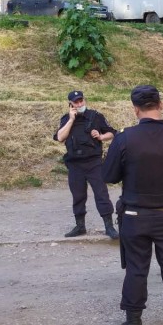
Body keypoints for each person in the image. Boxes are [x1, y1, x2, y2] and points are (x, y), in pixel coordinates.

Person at [102, 85, 163, 325]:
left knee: (136, 268)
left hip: (134, 216)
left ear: (135, 109)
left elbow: (109, 175)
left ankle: (133, 324)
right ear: (160, 104)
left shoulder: (123, 139)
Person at [54, 90, 118, 239]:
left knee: (101, 194)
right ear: (70, 104)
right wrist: (71, 119)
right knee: (78, 195)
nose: (79, 104)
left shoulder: (96, 116)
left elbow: (112, 133)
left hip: (94, 162)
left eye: (81, 100)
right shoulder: (65, 118)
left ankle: (109, 227)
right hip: (75, 164)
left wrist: (101, 136)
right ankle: (80, 226)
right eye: (76, 102)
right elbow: (60, 137)